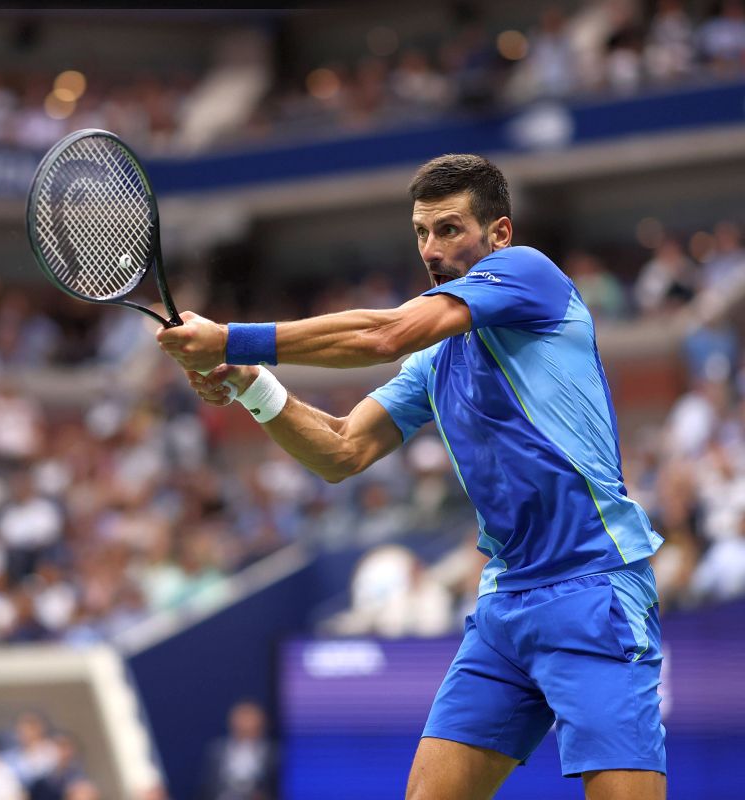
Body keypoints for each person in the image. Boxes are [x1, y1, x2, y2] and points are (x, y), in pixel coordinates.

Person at [157, 154, 666, 800]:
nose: (431, 247)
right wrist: (253, 385)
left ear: (499, 235)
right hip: (507, 604)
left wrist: (234, 340)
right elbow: (342, 450)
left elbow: (386, 333)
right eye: (422, 232)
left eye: (450, 229)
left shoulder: (529, 274)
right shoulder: (438, 360)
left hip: (594, 589)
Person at [198, 701, 279, 800]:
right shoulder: (216, 750)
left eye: (250, 720)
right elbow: (206, 789)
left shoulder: (273, 753)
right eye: (242, 720)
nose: (245, 725)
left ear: (261, 724)